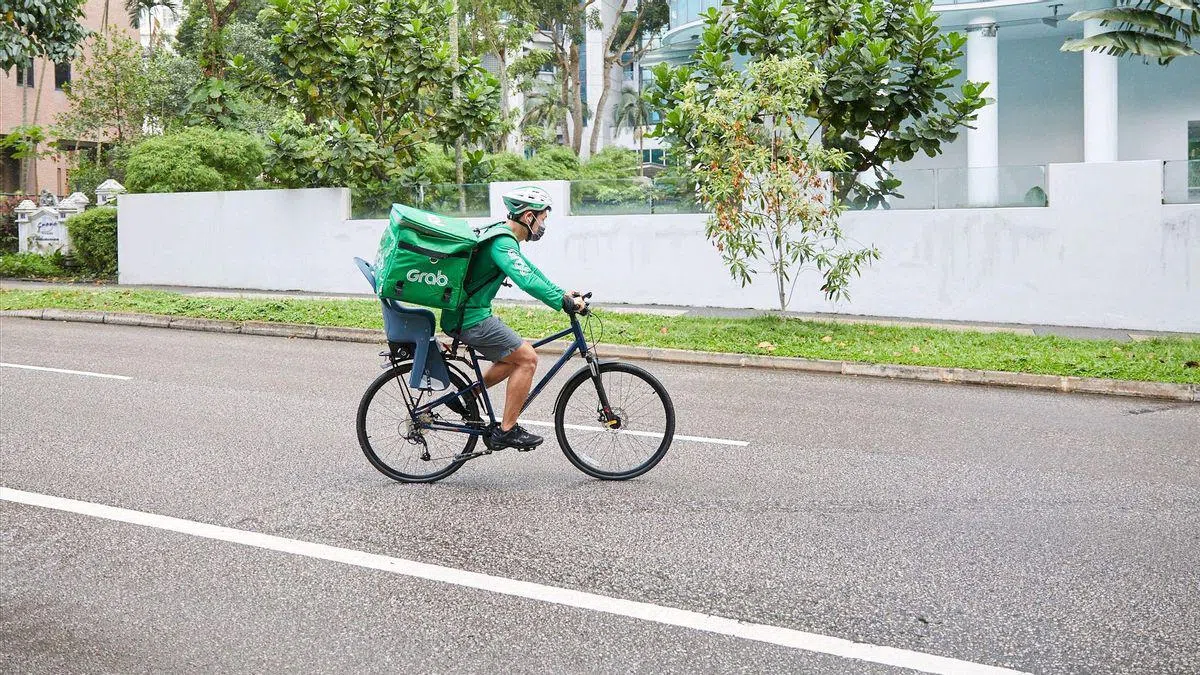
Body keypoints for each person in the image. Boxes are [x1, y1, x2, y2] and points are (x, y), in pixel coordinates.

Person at [443, 186, 585, 450]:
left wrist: (561, 293)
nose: (543, 225)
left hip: (469, 314)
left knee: (514, 356)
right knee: (527, 358)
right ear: (529, 216)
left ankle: (468, 395)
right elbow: (526, 280)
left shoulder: (504, 236)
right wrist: (561, 302)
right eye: (542, 219)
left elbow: (531, 271)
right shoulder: (503, 242)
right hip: (470, 318)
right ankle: (507, 430)